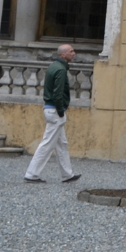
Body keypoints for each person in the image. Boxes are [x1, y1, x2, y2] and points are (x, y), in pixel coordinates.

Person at [24, 43, 81, 183]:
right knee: (47, 143)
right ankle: (31, 174)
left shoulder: (54, 66)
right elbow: (58, 93)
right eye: (71, 51)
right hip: (55, 110)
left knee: (62, 144)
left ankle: (67, 174)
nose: (74, 53)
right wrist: (61, 111)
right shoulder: (61, 70)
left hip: (51, 109)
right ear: (63, 55)